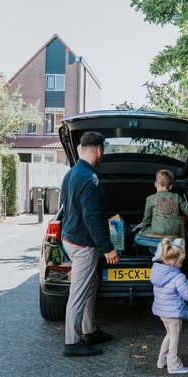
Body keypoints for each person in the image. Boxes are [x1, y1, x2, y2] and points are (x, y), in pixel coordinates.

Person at [60, 131, 119, 357]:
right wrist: (108, 248)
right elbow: (92, 217)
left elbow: (67, 207)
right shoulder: (90, 179)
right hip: (84, 245)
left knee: (89, 285)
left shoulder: (72, 173)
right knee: (79, 292)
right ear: (99, 150)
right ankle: (72, 343)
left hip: (71, 239)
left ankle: (89, 330)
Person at [150, 238, 188, 374]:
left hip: (163, 312)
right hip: (174, 313)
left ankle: (161, 360)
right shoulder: (177, 277)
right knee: (174, 339)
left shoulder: (157, 272)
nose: (181, 264)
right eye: (181, 261)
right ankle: (174, 365)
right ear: (173, 261)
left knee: (169, 335)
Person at [135, 169, 188, 252]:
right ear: (170, 186)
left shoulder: (150, 199)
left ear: (155, 184)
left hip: (157, 234)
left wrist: (142, 230)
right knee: (152, 249)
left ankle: (161, 245)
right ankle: (168, 245)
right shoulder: (177, 197)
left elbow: (147, 219)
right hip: (174, 234)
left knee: (137, 238)